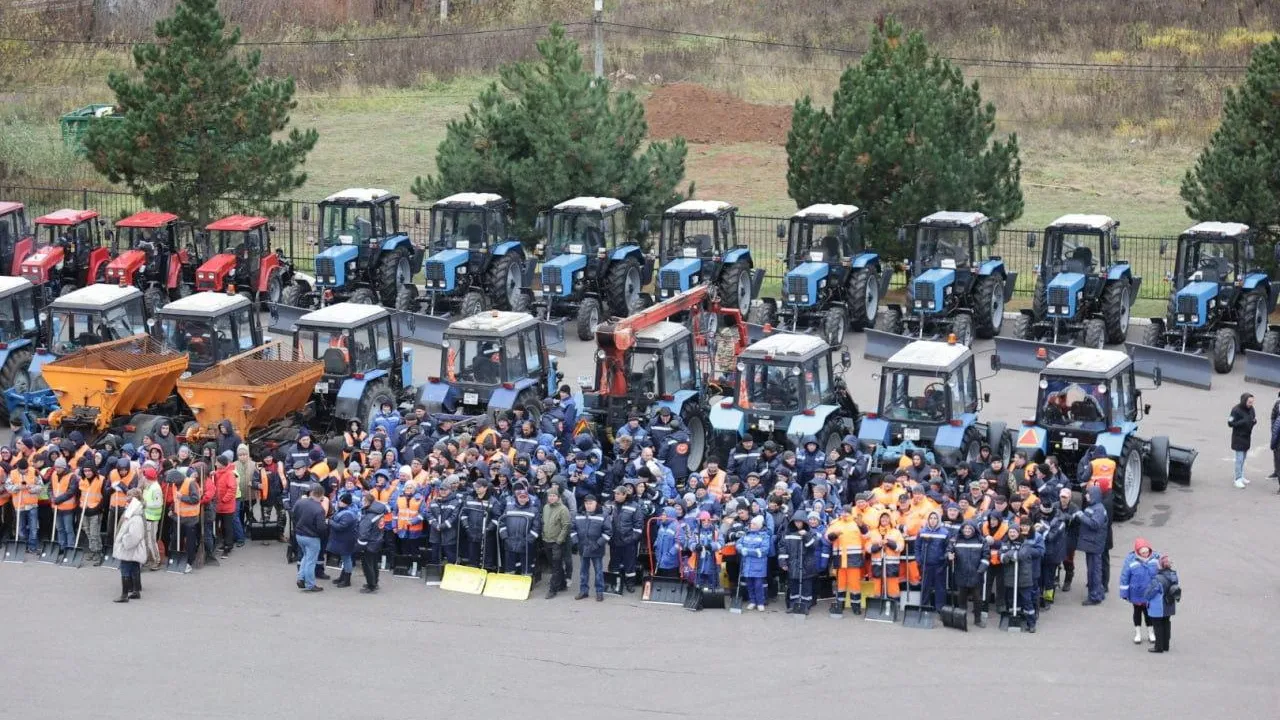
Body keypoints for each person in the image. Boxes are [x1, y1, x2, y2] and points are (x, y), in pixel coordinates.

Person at [1118, 537, 1161, 643]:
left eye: (1147, 551)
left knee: (1149, 614)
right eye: (1143, 552)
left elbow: (1161, 574)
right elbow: (1124, 577)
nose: (1145, 554)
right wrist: (1124, 593)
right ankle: (1138, 634)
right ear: (1138, 552)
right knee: (1137, 613)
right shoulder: (1130, 560)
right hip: (1136, 593)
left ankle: (1151, 633)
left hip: (1150, 593)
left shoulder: (1156, 558)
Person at [948, 520, 990, 627]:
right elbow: (949, 552)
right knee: (961, 598)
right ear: (962, 529)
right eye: (965, 528)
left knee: (977, 599)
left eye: (969, 528)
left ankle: (978, 620)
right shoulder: (955, 540)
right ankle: (962, 619)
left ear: (974, 529)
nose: (967, 530)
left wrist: (980, 570)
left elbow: (986, 557)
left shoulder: (981, 541)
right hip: (960, 574)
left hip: (976, 575)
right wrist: (949, 556)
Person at [111, 488, 148, 603]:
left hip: (129, 548)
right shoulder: (135, 514)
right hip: (133, 548)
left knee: (125, 569)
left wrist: (124, 542)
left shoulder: (135, 518)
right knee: (134, 567)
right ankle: (136, 591)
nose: (126, 502)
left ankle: (124, 595)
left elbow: (134, 536)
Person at [570, 494, 609, 601]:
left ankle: (599, 592)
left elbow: (608, 532)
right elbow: (572, 530)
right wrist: (577, 542)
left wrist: (598, 544)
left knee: (598, 572)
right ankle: (583, 591)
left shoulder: (603, 515)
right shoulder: (577, 514)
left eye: (590, 503)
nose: (588, 505)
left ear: (596, 503)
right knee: (583, 571)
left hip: (597, 549)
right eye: (586, 503)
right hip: (583, 548)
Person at [1076, 485, 1108, 605]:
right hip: (1091, 544)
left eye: (1088, 493)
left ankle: (1094, 596)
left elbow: (1095, 524)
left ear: (1094, 495)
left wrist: (1081, 516)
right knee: (1093, 570)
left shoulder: (1098, 509)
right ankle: (1098, 592)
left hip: (1094, 545)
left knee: (1094, 571)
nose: (1086, 495)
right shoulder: (1094, 507)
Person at [293, 484, 328, 592]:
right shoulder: (319, 509)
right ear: (321, 495)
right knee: (311, 561)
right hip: (312, 538)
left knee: (305, 557)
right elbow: (321, 528)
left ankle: (300, 578)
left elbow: (294, 515)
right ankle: (310, 584)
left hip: (299, 535)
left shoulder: (300, 502)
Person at [1143, 555, 1180, 653]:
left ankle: (1158, 647)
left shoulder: (1157, 579)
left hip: (1158, 606)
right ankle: (1166, 645)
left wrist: (1145, 596)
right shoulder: (1173, 575)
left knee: (1157, 625)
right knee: (1166, 623)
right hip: (1169, 604)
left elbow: (1149, 593)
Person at [737, 515, 770, 611]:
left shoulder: (765, 536)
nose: (751, 525)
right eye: (751, 523)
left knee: (758, 585)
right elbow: (738, 544)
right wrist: (741, 549)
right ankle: (752, 601)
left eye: (754, 524)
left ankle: (760, 602)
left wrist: (748, 551)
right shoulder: (746, 534)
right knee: (749, 584)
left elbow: (764, 550)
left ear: (759, 525)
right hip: (747, 564)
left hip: (759, 565)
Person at [356, 493, 387, 593]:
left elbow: (363, 533)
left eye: (363, 500)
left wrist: (360, 546)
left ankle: (371, 586)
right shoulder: (380, 512)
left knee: (367, 565)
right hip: (377, 541)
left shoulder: (369, 516)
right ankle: (375, 582)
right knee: (373, 563)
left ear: (367, 502)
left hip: (369, 543)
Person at [328, 493, 359, 588]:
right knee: (344, 558)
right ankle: (342, 577)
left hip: (346, 540)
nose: (339, 502)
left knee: (346, 559)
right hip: (343, 539)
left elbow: (341, 527)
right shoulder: (344, 511)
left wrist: (330, 522)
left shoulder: (348, 514)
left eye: (341, 501)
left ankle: (347, 580)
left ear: (346, 503)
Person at [1228, 392, 1256, 488]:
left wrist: (1254, 421)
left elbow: (1252, 418)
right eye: (1249, 402)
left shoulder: (1251, 409)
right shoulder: (1236, 410)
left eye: (1252, 402)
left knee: (1243, 458)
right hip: (1238, 437)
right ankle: (1237, 479)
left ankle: (1241, 475)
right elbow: (1230, 423)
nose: (1251, 404)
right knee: (1239, 459)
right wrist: (1243, 421)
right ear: (1244, 401)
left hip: (1247, 437)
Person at [142, 467, 164, 570]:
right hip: (147, 516)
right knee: (147, 540)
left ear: (148, 477)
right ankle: (150, 559)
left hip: (152, 517)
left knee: (151, 540)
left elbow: (158, 503)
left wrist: (145, 504)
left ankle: (156, 561)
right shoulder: (149, 487)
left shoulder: (155, 488)